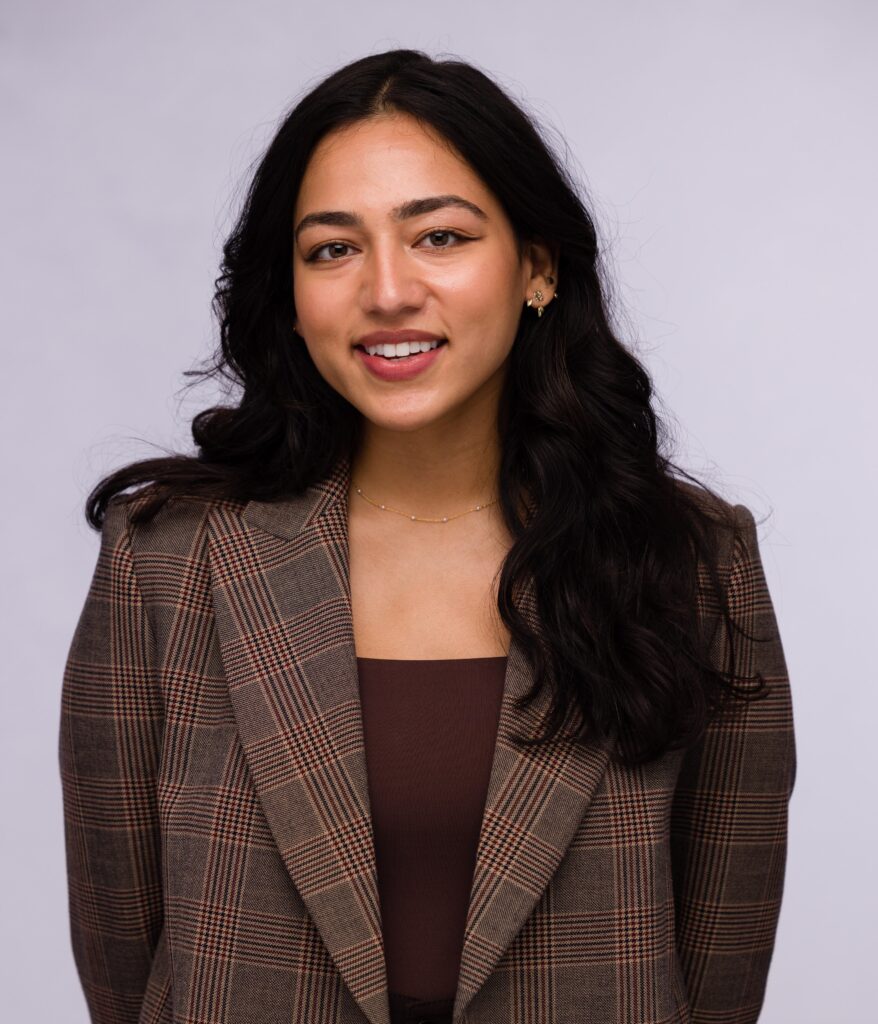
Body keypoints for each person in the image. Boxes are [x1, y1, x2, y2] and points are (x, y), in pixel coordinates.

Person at [59, 49, 796, 1024]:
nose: (388, 290)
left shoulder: (687, 565)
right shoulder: (167, 561)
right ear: (289, 291)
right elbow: (123, 952)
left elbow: (717, 959)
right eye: (332, 248)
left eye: (439, 237)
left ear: (536, 266)